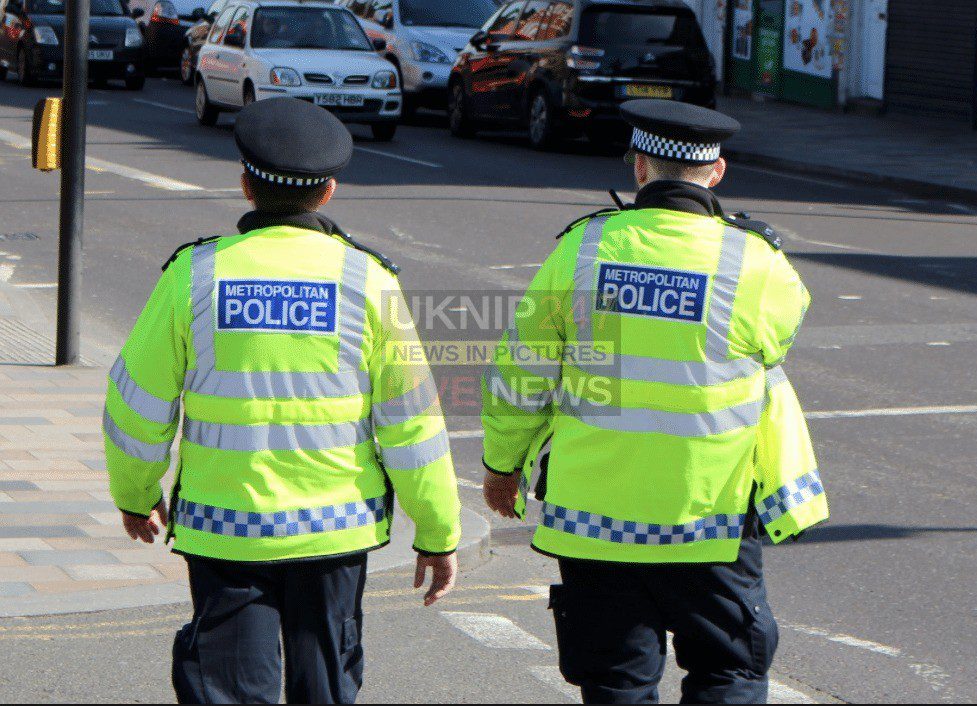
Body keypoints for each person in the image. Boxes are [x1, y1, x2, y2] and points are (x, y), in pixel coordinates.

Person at [102, 97, 461, 705]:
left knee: (231, 690)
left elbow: (137, 402)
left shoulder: (194, 275)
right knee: (324, 689)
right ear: (328, 193)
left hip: (225, 528)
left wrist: (136, 495)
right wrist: (438, 529)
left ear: (246, 184)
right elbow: (412, 422)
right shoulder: (367, 279)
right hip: (334, 531)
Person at [480, 99, 829, 704]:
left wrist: (500, 466)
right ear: (715, 173)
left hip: (593, 518)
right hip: (709, 517)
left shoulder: (580, 250)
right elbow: (779, 341)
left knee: (615, 680)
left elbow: (521, 375)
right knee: (729, 672)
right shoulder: (758, 263)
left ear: (639, 167)